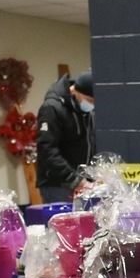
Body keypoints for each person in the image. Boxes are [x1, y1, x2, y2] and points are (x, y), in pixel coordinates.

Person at [35, 70, 96, 203]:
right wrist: (74, 178)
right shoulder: (52, 108)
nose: (92, 105)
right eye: (90, 100)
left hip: (83, 182)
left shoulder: (85, 112)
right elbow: (47, 149)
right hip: (58, 184)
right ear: (74, 91)